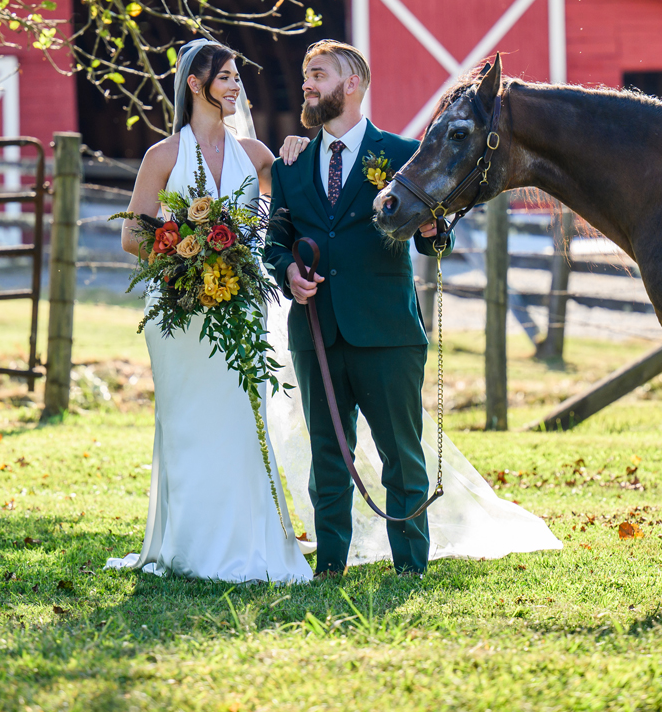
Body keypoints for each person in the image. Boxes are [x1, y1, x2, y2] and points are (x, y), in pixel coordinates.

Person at [105, 39, 312, 583]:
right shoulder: (163, 156)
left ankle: (247, 542)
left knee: (243, 421)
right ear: (196, 85)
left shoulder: (256, 154)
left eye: (237, 76)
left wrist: (297, 146)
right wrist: (185, 258)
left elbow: (298, 200)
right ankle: (191, 547)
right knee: (190, 424)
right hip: (179, 312)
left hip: (240, 303)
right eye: (225, 77)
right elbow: (131, 235)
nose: (235, 85)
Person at [263, 40, 454, 578]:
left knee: (401, 454)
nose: (307, 84)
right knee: (328, 455)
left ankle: (410, 565)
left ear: (352, 85)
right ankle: (330, 565)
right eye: (305, 74)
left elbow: (435, 243)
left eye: (318, 74)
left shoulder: (403, 155)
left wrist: (434, 229)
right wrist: (288, 272)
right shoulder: (290, 166)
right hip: (316, 332)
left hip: (388, 330)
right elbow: (275, 242)